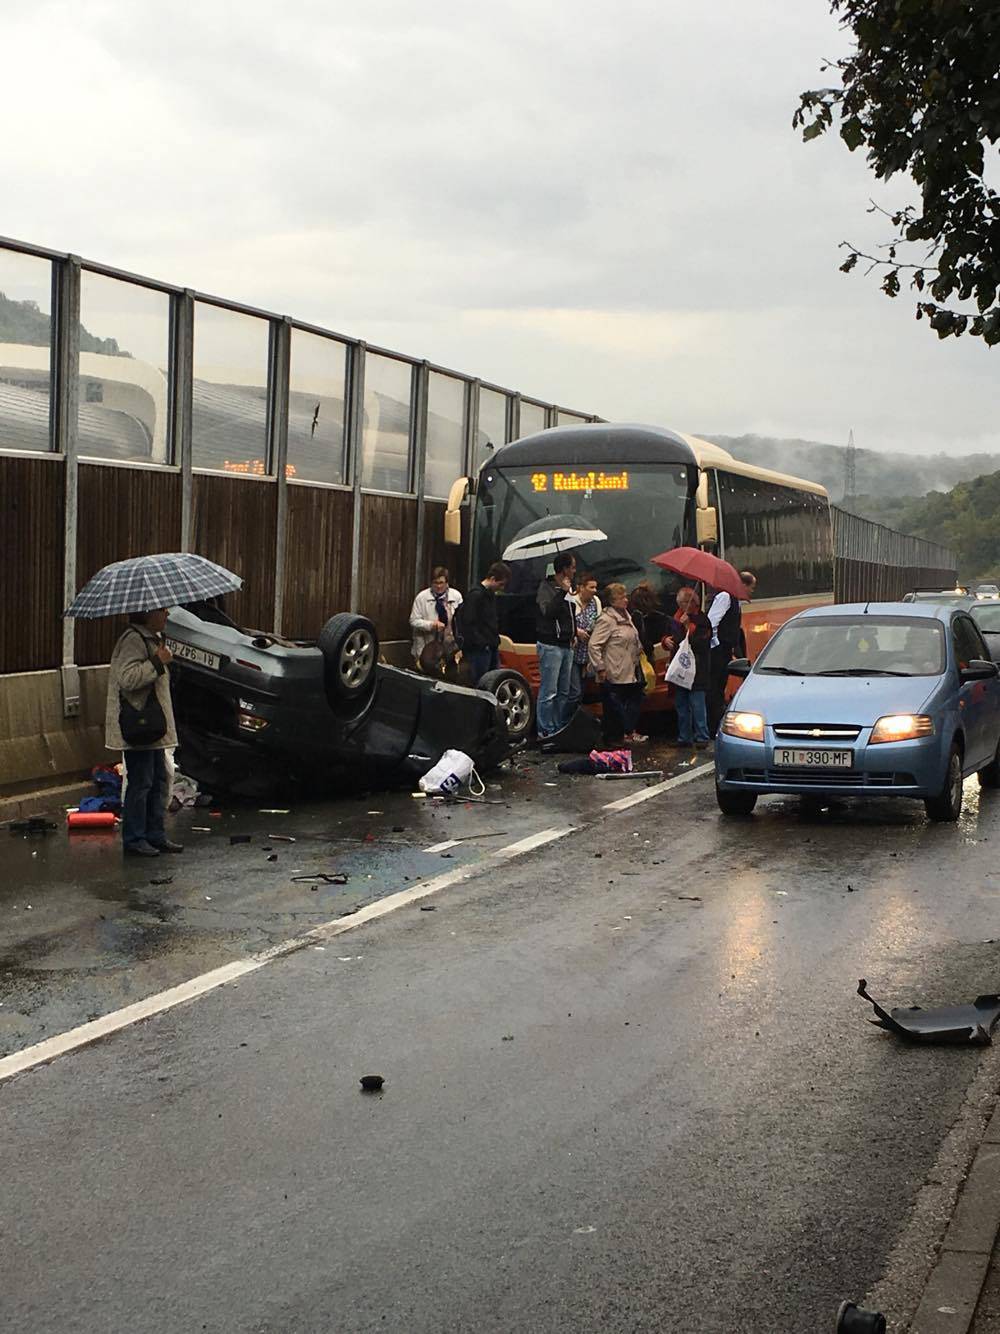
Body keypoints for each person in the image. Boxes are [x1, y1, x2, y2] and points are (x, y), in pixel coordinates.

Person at [105, 608, 182, 857]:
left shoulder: (151, 638)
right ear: (148, 613)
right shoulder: (133, 640)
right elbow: (127, 679)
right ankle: (135, 838)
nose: (167, 613)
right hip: (139, 726)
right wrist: (158, 662)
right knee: (141, 782)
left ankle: (155, 835)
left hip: (153, 727)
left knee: (158, 780)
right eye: (162, 609)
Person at [589, 582, 648, 745]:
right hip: (613, 672)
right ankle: (613, 738)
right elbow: (594, 645)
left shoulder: (627, 616)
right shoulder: (607, 620)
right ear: (612, 600)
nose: (626, 600)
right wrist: (600, 667)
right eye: (621, 597)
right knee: (613, 709)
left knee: (633, 702)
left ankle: (624, 733)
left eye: (625, 596)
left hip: (629, 670)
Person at [707, 569, 756, 736]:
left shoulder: (735, 600)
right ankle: (712, 726)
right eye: (751, 587)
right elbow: (712, 622)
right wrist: (716, 644)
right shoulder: (725, 597)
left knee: (720, 686)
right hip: (718, 651)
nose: (751, 591)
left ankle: (715, 724)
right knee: (715, 688)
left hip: (725, 650)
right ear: (742, 584)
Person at [535, 552, 577, 736]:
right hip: (550, 644)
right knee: (549, 691)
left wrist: (574, 633)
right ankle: (545, 729)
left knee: (564, 691)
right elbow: (548, 611)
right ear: (565, 569)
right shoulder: (546, 588)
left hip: (567, 644)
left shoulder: (569, 590)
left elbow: (570, 614)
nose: (575, 571)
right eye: (573, 567)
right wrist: (561, 593)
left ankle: (559, 726)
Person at [665, 587, 712, 749]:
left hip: (697, 670)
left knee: (697, 705)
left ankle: (702, 736)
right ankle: (684, 736)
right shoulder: (676, 618)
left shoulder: (703, 621)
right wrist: (665, 641)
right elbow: (669, 636)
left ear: (694, 603)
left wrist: (688, 627)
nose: (681, 605)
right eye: (680, 602)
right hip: (680, 668)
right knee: (681, 705)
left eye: (684, 602)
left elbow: (702, 643)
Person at [458, 561, 511, 683]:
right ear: (492, 579)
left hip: (490, 646)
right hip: (479, 649)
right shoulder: (475, 595)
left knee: (493, 682)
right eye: (500, 584)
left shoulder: (490, 595)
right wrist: (481, 643)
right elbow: (468, 623)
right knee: (480, 681)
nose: (501, 588)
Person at [410, 566, 463, 671]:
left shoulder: (456, 596)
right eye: (435, 583)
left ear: (447, 583)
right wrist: (431, 625)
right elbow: (413, 621)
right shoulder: (422, 598)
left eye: (441, 583)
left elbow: (461, 621)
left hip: (449, 648)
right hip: (427, 649)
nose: (439, 586)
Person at [566, 572, 602, 710]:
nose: (594, 591)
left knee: (582, 689)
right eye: (591, 587)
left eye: (595, 587)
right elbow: (566, 622)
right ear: (581, 587)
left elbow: (598, 622)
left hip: (587, 653)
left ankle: (577, 720)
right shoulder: (570, 600)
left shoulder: (596, 601)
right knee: (574, 691)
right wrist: (577, 631)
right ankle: (566, 719)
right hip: (573, 652)